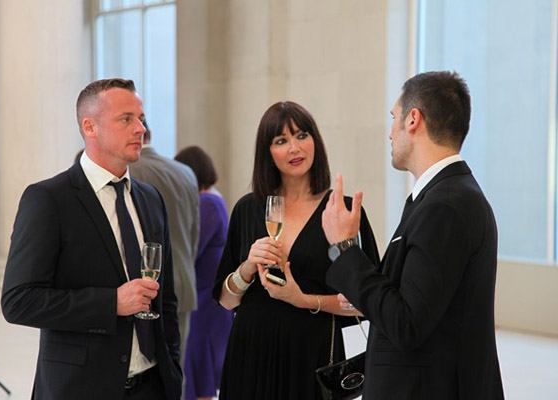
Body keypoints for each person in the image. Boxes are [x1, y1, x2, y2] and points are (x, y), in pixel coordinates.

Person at [322, 71, 505, 399]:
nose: (389, 132)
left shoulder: (445, 205)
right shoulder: (441, 196)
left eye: (394, 118)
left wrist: (346, 249)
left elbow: (407, 323)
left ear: (413, 120)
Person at [1, 78, 182, 399]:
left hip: (153, 386)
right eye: (126, 119)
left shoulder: (151, 198)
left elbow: (166, 299)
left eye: (141, 118)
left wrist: (173, 369)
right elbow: (19, 302)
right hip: (80, 388)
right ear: (90, 127)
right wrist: (111, 303)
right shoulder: (48, 199)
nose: (140, 128)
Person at [212, 101, 380, 399]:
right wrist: (248, 267)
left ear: (315, 141)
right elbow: (226, 301)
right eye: (281, 140)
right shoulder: (248, 208)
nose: (294, 148)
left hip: (313, 353)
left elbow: (366, 302)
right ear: (267, 152)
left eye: (302, 135)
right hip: (252, 351)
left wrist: (302, 299)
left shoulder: (342, 211)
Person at [130, 120, 200, 375]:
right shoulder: (185, 172)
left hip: (147, 289)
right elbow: (194, 234)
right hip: (184, 281)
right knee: (174, 368)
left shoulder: (130, 171)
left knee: (144, 372)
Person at [175, 146, 233, 400]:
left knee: (198, 373)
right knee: (201, 374)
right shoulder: (214, 200)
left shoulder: (206, 203)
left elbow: (191, 249)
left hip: (204, 303)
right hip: (208, 299)